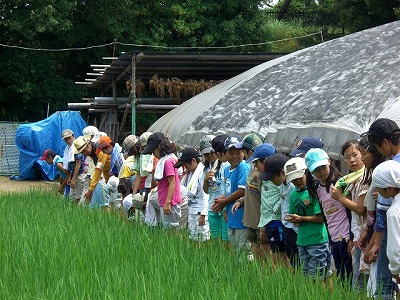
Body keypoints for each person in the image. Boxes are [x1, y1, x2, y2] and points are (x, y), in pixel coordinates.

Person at [361, 118, 400, 299]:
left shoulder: (393, 166)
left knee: (385, 284)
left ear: (385, 143)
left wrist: (375, 242)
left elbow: (383, 211)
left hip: (390, 234)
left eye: (377, 148)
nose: (379, 152)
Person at [305, 148, 353, 283]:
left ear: (329, 162)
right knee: (340, 273)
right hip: (333, 237)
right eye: (316, 169)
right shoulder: (317, 189)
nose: (321, 172)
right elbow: (326, 217)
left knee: (349, 273)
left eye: (323, 167)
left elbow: (350, 212)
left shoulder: (340, 183)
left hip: (345, 236)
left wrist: (351, 237)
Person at [331, 140, 369, 291]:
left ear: (363, 155)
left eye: (355, 155)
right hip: (357, 236)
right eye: (347, 157)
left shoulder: (364, 179)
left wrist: (340, 198)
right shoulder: (350, 181)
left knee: (360, 283)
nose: (352, 160)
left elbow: (361, 209)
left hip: (365, 237)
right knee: (357, 279)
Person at [284, 157, 331, 280]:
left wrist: (301, 218)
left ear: (306, 173)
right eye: (294, 180)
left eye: (300, 177)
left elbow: (321, 218)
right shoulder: (294, 193)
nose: (298, 181)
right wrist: (293, 219)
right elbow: (293, 214)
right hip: (302, 240)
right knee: (306, 275)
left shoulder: (314, 190)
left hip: (317, 239)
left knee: (320, 275)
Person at [231, 143, 275, 261]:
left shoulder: (267, 179)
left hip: (261, 222)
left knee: (265, 257)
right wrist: (241, 201)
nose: (255, 166)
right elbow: (250, 192)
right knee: (257, 256)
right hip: (251, 221)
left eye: (257, 163)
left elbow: (267, 203)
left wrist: (263, 227)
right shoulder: (253, 171)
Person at [212, 136, 251, 256]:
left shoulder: (243, 167)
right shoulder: (227, 170)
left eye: (238, 152)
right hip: (231, 216)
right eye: (231, 153)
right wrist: (222, 203)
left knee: (244, 250)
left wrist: (224, 202)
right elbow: (229, 191)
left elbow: (242, 191)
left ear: (243, 153)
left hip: (242, 217)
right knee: (236, 250)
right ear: (225, 154)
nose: (235, 156)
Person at [259, 153, 299, 267]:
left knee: (297, 261)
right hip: (287, 226)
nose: (271, 181)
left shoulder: (293, 187)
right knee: (293, 260)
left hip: (295, 229)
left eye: (272, 177)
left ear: (282, 172)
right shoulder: (282, 185)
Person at [141, 132, 182, 229]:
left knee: (171, 230)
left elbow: (172, 183)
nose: (154, 154)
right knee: (167, 229)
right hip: (164, 200)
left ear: (159, 147)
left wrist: (168, 203)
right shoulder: (163, 161)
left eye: (154, 151)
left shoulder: (168, 161)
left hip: (170, 202)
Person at [371, 160, 400, 286]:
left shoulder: (393, 212)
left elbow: (395, 247)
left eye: (378, 187)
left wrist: (395, 270)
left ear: (388, 188)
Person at [175, 147, 210, 242]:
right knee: (193, 238)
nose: (185, 168)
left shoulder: (202, 173)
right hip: (192, 211)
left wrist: (203, 214)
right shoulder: (190, 174)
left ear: (193, 161)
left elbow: (206, 195)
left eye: (186, 165)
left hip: (200, 212)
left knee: (203, 238)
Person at [203, 135, 229, 242]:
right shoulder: (206, 168)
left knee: (226, 239)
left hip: (224, 206)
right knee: (215, 239)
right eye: (206, 154)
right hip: (212, 207)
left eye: (211, 153)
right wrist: (205, 180)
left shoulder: (226, 165)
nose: (209, 156)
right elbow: (205, 191)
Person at [73, 135, 111, 209]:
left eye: (85, 150)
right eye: (82, 152)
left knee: (105, 200)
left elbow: (98, 171)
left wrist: (90, 191)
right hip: (109, 175)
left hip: (117, 174)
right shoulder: (92, 154)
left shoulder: (100, 150)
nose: (84, 153)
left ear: (89, 143)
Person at [61, 129, 75, 197]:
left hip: (74, 174)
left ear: (73, 136)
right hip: (70, 174)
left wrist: (70, 177)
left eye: (69, 138)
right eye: (66, 139)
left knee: (74, 196)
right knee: (68, 195)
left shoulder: (75, 147)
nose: (68, 141)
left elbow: (74, 164)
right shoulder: (67, 148)